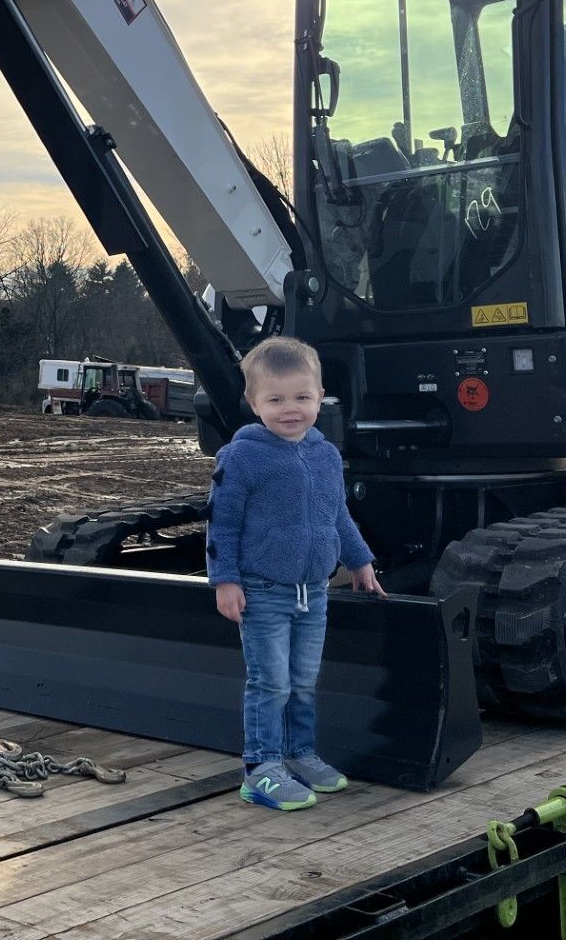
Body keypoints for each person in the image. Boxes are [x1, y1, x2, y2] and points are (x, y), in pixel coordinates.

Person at [206, 336, 385, 811]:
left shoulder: (325, 455)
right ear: (253, 402)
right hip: (263, 589)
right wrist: (225, 580)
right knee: (271, 682)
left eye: (302, 398)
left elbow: (336, 515)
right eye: (276, 399)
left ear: (320, 395)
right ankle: (260, 768)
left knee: (304, 679)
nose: (291, 409)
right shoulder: (241, 457)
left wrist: (359, 559)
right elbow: (221, 522)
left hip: (315, 591)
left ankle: (300, 754)